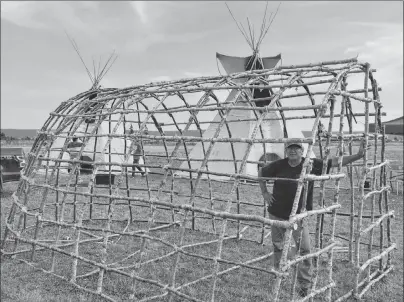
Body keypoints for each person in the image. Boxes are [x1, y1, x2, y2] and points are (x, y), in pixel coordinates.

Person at [258, 140, 367, 297]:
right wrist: (265, 193)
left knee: (305, 249)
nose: (293, 151)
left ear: (302, 151)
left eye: (296, 148)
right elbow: (261, 173)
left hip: (298, 216)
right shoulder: (279, 165)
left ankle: (304, 283)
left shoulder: (311, 164)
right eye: (290, 148)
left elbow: (335, 162)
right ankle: (278, 273)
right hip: (276, 213)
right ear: (286, 151)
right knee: (278, 245)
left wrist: (357, 155)